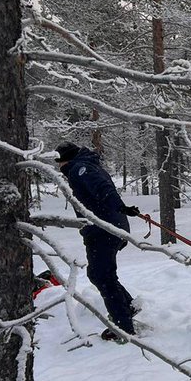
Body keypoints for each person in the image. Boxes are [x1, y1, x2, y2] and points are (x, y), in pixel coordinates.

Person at [56, 142, 140, 342]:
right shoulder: (86, 165)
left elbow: (102, 187)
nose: (57, 167)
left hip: (104, 228)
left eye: (58, 161)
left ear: (64, 160)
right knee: (101, 274)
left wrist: (120, 207)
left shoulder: (80, 169)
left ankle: (123, 326)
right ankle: (125, 307)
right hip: (108, 226)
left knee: (102, 275)